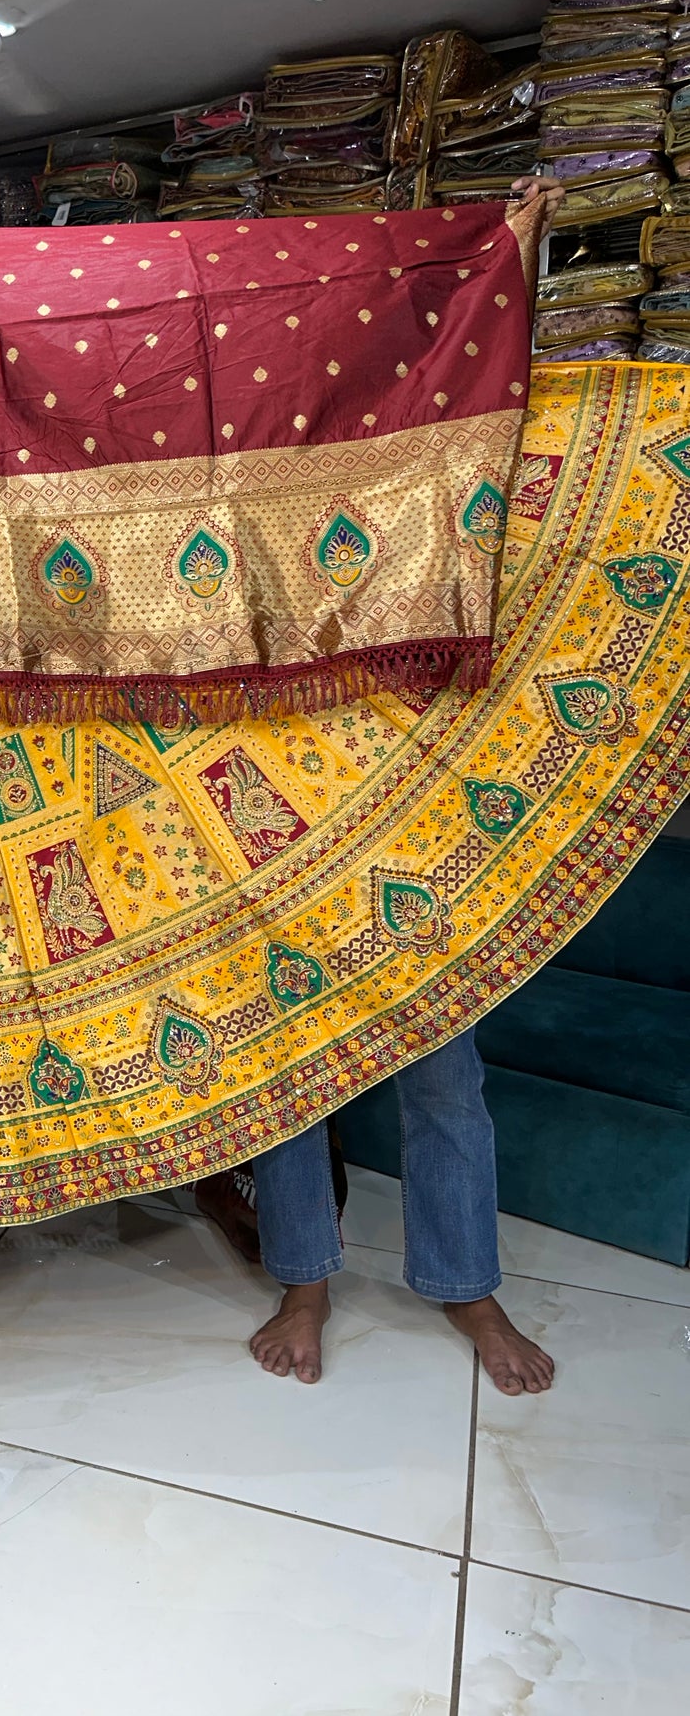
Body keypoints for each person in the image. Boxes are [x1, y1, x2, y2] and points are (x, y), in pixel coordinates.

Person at [248, 174, 565, 1396]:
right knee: (282, 1083)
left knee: (445, 1079)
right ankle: (306, 1278)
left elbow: (480, 402)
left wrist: (513, 259)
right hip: (272, 832)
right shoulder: (242, 526)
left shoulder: (415, 507)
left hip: (413, 830)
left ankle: (464, 1285)